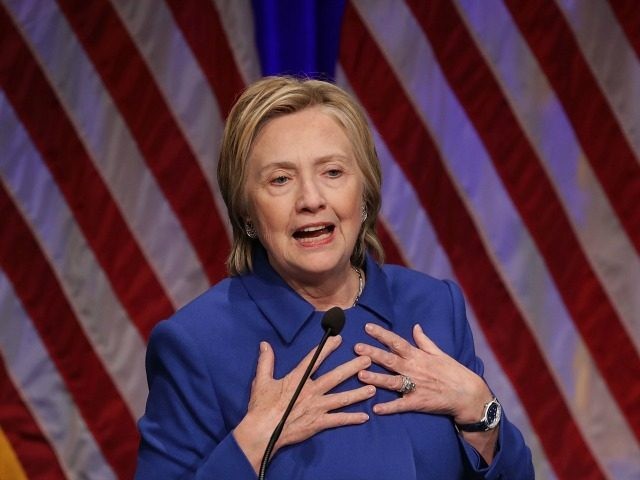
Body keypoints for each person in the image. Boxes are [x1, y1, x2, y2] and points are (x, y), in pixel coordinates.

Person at [135, 76, 534, 479]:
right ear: (247, 214)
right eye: (280, 179)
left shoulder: (432, 306)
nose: (311, 199)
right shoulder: (197, 344)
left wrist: (480, 411)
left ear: (364, 195)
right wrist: (253, 443)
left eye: (332, 172)